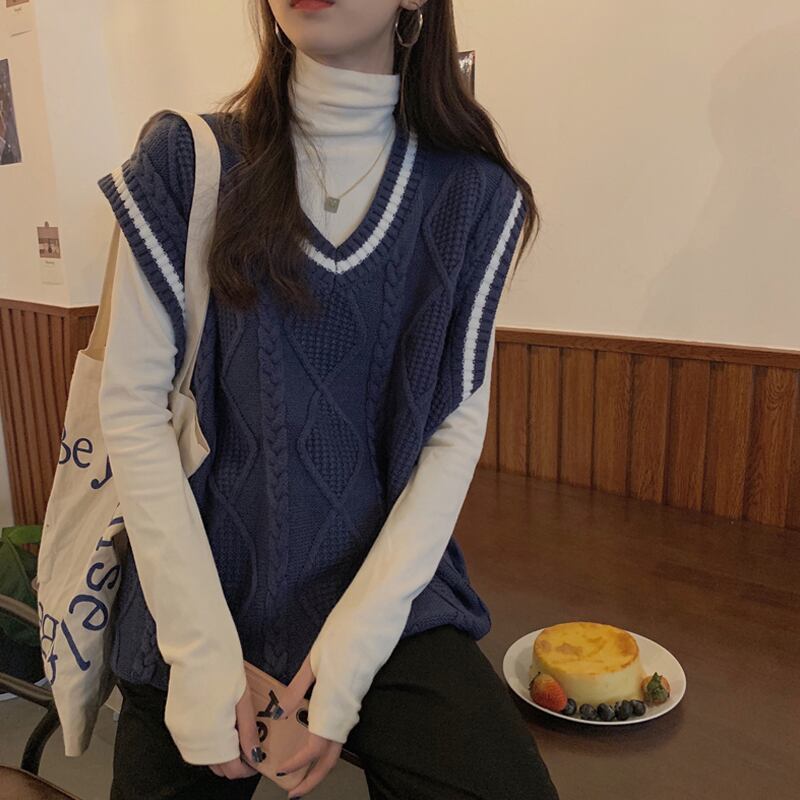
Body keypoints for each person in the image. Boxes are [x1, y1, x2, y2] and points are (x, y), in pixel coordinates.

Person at [97, 1, 558, 798]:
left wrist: (344, 665)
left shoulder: (475, 197)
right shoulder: (189, 161)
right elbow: (133, 409)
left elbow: (451, 436)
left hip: (380, 592)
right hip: (201, 585)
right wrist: (202, 654)